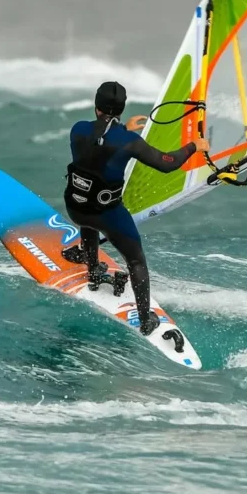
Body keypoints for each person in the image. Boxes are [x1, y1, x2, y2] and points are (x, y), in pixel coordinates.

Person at [61, 81, 207, 336]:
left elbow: (99, 146)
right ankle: (145, 320)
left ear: (96, 106)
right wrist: (194, 146)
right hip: (107, 215)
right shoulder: (129, 142)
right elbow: (167, 163)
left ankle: (93, 269)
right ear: (121, 108)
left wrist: (122, 130)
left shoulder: (77, 130)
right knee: (136, 260)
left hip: (75, 206)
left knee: (88, 210)